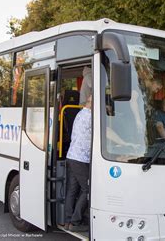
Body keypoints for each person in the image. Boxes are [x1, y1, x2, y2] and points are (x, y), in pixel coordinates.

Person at [64, 95, 92, 232]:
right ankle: (75, 223)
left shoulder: (80, 113)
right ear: (92, 102)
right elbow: (108, 133)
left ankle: (68, 221)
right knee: (88, 189)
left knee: (72, 189)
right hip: (81, 159)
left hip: (71, 156)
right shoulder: (91, 117)